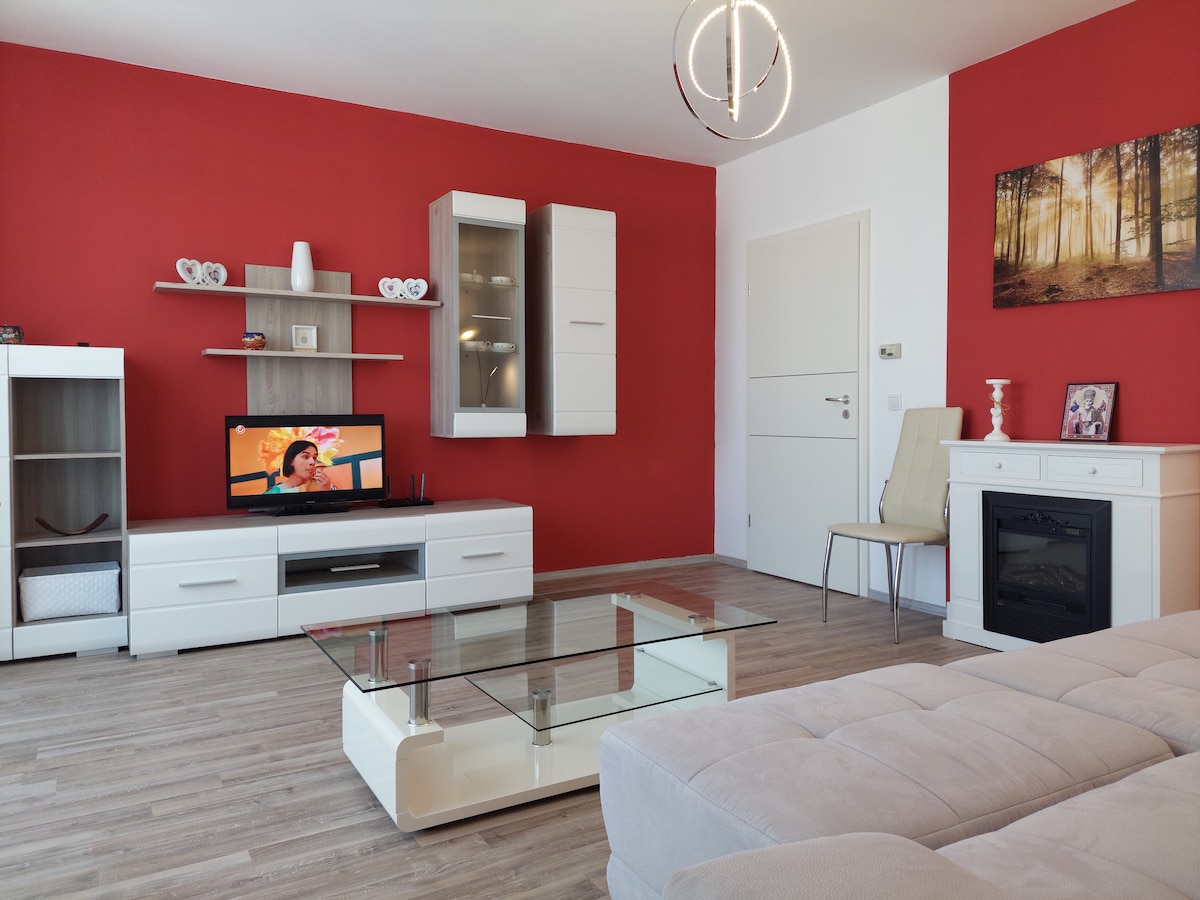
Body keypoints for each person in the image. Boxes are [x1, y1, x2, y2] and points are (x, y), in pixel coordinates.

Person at [263, 440, 336, 493]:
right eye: (305, 457)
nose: (312, 462)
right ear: (291, 461)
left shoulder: (326, 486)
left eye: (314, 458)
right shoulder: (272, 494)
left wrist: (326, 492)